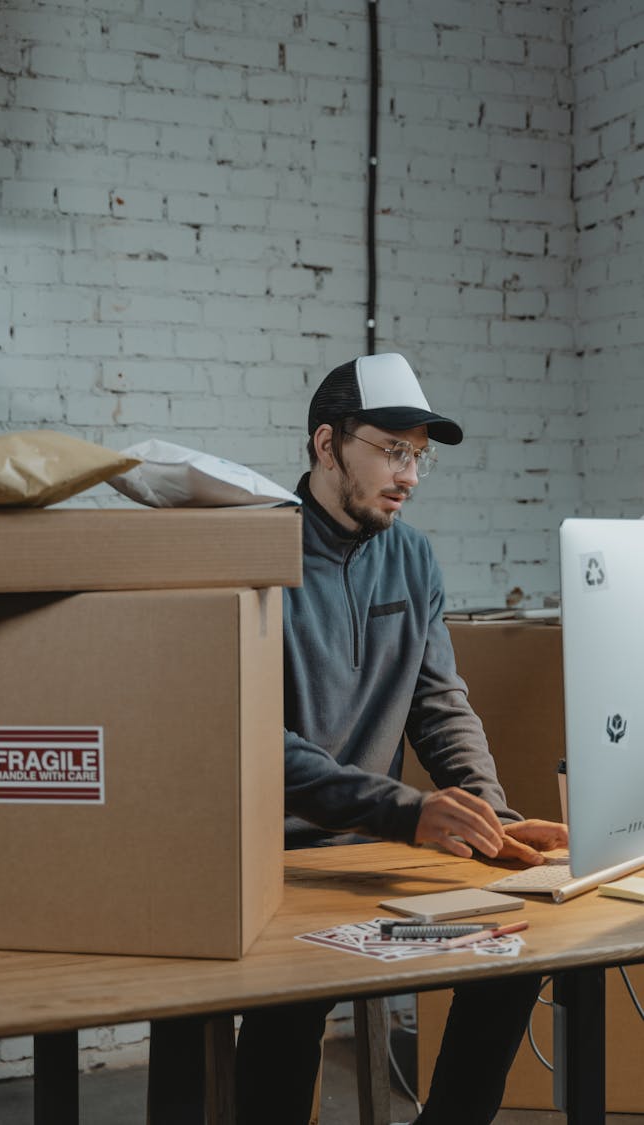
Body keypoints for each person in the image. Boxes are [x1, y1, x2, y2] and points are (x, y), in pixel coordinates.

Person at [232, 351, 568, 1125]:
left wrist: (492, 821)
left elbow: (441, 704)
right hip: (276, 859)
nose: (409, 473)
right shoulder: (253, 552)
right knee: (290, 1000)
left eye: (418, 455)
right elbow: (254, 741)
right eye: (391, 449)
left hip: (381, 845)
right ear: (326, 444)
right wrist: (407, 810)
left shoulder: (413, 556)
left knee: (513, 950)